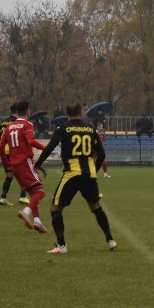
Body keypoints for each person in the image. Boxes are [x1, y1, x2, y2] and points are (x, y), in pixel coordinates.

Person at [34, 103, 117, 254]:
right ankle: (110, 240)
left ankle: (61, 245)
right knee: (96, 206)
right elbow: (102, 154)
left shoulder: (63, 129)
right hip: (89, 175)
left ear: (67, 113)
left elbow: (49, 148)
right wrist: (94, 170)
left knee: (55, 208)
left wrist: (37, 164)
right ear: (80, 112)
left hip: (72, 173)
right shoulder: (90, 129)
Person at [0, 100, 48, 233]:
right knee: (40, 192)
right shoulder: (27, 125)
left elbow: (0, 146)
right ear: (27, 111)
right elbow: (30, 141)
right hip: (25, 162)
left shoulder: (9, 127)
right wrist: (45, 148)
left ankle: (37, 222)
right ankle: (26, 212)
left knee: (33, 192)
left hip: (14, 165)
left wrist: (6, 163)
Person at [0, 103, 29, 206]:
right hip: (15, 152)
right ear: (18, 111)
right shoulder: (17, 122)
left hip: (5, 152)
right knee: (23, 174)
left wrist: (4, 145)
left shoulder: (3, 122)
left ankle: (3, 198)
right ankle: (23, 196)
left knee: (9, 175)